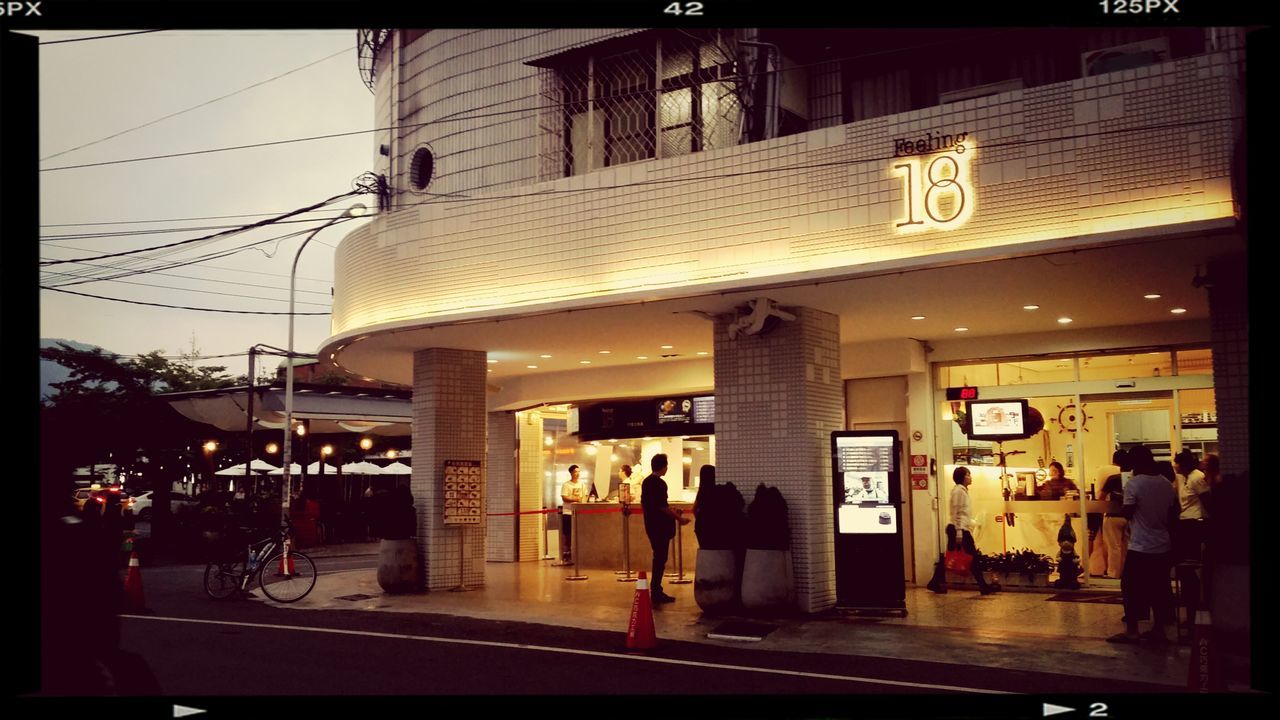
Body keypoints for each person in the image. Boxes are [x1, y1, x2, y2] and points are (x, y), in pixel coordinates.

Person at [1106, 445, 1180, 645]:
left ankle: (1132, 631)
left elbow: (1128, 512)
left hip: (1140, 546)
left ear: (1136, 463)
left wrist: (1124, 504)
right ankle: (1158, 631)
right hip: (1163, 545)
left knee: (1130, 587)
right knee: (1158, 588)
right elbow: (1174, 513)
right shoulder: (1166, 483)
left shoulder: (1134, 484)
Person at [926, 466, 1000, 595]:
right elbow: (957, 512)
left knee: (954, 556)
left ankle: (935, 582)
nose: (970, 477)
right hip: (958, 529)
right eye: (968, 474)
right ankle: (983, 586)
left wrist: (970, 523)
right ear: (962, 477)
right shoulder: (959, 492)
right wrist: (959, 531)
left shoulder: (962, 491)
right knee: (970, 556)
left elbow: (963, 514)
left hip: (959, 528)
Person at [641, 454, 689, 603]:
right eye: (666, 466)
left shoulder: (646, 482)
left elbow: (652, 505)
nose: (667, 468)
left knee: (658, 557)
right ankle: (656, 591)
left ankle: (656, 589)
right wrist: (679, 518)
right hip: (660, 526)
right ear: (663, 466)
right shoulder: (660, 484)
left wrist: (671, 509)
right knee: (660, 558)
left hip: (650, 524)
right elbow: (662, 507)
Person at [1098, 449, 1130, 579]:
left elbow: (1101, 497)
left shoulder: (1112, 478)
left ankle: (1114, 573)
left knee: (1114, 547)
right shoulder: (1134, 478)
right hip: (1129, 515)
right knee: (1128, 546)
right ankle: (1127, 573)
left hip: (1113, 516)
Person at [559, 465, 583, 562]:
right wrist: (575, 499)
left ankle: (577, 553)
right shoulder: (566, 485)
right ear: (571, 473)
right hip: (568, 512)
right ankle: (567, 552)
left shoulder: (581, 484)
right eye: (576, 472)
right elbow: (564, 497)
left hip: (578, 513)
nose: (578, 474)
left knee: (577, 534)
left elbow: (584, 496)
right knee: (567, 534)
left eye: (579, 472)